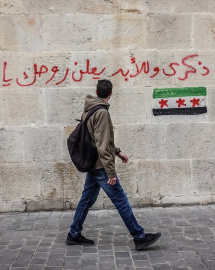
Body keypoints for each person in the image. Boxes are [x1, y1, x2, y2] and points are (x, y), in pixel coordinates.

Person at [66, 79, 161, 251]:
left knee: (87, 200)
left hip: (94, 165)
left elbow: (99, 140)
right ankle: (139, 237)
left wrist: (117, 152)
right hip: (101, 166)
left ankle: (73, 233)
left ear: (96, 92)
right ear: (110, 93)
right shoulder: (101, 112)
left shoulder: (89, 109)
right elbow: (102, 144)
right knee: (121, 200)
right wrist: (110, 172)